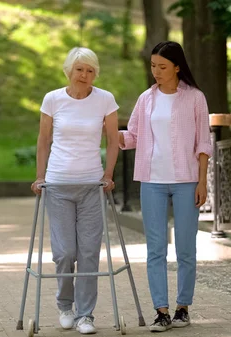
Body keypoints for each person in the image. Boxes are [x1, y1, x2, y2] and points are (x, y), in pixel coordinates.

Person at [118, 41, 212, 332]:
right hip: (152, 182)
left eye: (161, 66)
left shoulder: (195, 98)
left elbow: (203, 143)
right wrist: (109, 130)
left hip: (186, 182)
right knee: (155, 249)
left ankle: (183, 307)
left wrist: (202, 180)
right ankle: (161, 311)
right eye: (152, 66)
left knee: (185, 247)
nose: (156, 72)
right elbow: (132, 136)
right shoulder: (146, 99)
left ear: (177, 67)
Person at [31, 47, 119, 335]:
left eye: (90, 70)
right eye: (80, 69)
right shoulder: (52, 99)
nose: (85, 75)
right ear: (69, 70)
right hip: (57, 185)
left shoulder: (105, 100)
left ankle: (85, 315)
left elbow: (112, 141)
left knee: (90, 252)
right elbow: (43, 141)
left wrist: (108, 175)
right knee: (65, 252)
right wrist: (40, 177)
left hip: (92, 185)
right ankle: (65, 305)